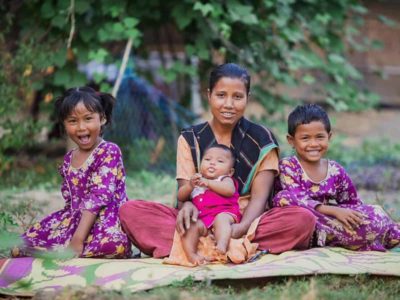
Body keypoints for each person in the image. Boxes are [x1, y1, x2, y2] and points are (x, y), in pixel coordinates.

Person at [119, 63, 316, 259]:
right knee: (130, 211)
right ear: (209, 95)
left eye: (237, 97)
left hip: (247, 223)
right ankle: (224, 247)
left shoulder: (262, 139)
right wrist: (186, 207)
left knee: (302, 220)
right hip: (200, 221)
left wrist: (239, 228)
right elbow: (184, 193)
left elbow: (259, 199)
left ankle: (201, 248)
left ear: (248, 98)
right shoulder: (190, 138)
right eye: (221, 95)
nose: (229, 104)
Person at [13, 87, 131, 258]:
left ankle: (70, 248)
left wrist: (78, 238)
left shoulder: (109, 151)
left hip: (105, 219)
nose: (81, 127)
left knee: (113, 245)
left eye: (88, 119)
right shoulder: (69, 158)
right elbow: (70, 201)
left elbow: (99, 197)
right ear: (64, 124)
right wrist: (70, 231)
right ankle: (62, 248)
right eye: (73, 121)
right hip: (77, 219)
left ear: (102, 119)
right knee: (24, 242)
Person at [272, 104, 400, 251]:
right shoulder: (288, 166)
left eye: (320, 137)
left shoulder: (335, 170)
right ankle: (366, 237)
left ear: (329, 137)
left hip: (330, 223)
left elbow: (352, 203)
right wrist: (334, 211)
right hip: (302, 221)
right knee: (283, 197)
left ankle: (380, 232)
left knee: (373, 213)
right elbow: (294, 200)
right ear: (291, 140)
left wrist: (356, 215)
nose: (313, 144)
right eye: (305, 138)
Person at [178, 144, 241, 264]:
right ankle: (191, 255)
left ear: (230, 171)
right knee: (190, 226)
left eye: (220, 161)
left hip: (224, 213)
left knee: (221, 219)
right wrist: (190, 186)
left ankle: (222, 244)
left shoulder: (224, 179)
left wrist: (208, 183)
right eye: (207, 159)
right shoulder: (197, 181)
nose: (212, 163)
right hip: (203, 219)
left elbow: (229, 190)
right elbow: (181, 197)